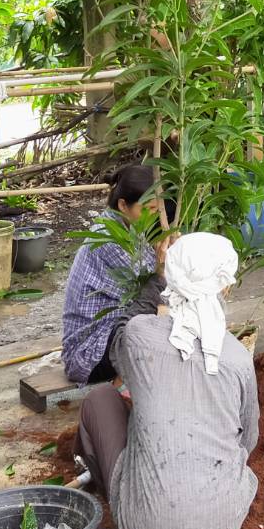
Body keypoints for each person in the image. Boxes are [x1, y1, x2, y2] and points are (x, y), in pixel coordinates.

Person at [77, 233, 259, 529]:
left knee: (100, 398)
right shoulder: (237, 356)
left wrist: (157, 276)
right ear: (226, 287)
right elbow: (248, 440)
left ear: (170, 279)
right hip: (224, 528)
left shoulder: (140, 336)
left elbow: (119, 334)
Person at [62, 163, 176, 384]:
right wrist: (162, 268)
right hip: (89, 354)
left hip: (110, 335)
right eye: (148, 209)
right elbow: (147, 294)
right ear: (123, 205)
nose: (153, 216)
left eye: (157, 210)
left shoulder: (129, 227)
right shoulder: (109, 238)